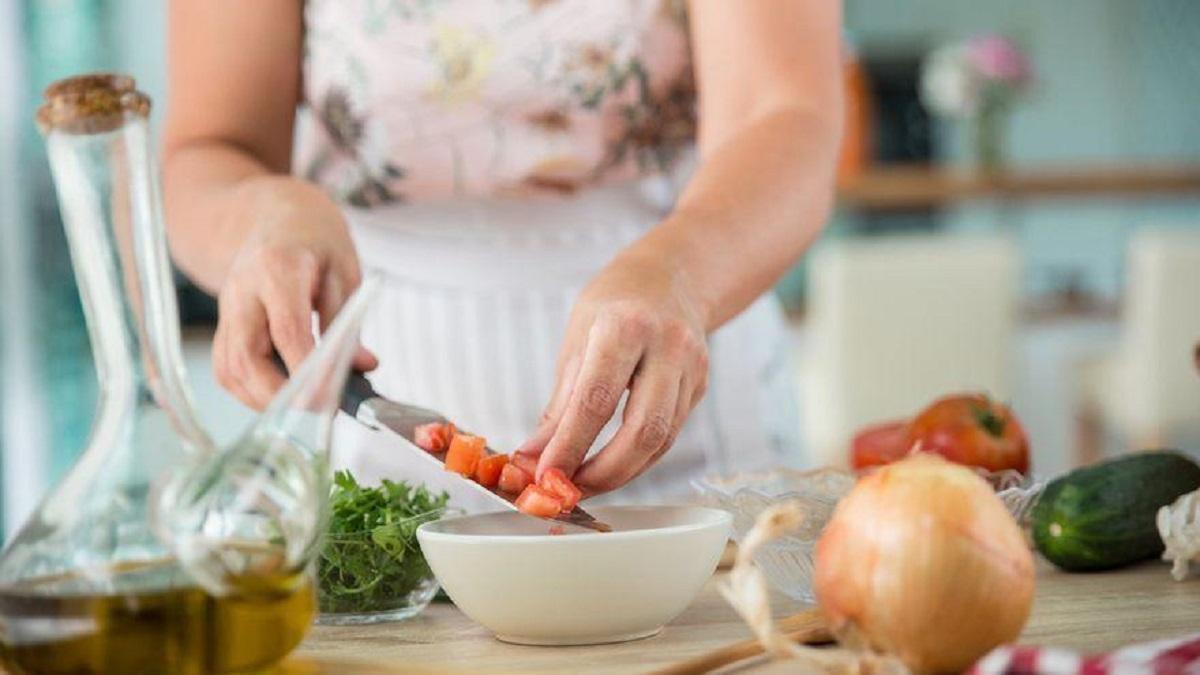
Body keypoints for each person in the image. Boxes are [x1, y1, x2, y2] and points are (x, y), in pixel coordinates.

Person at [163, 0, 843, 502]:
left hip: (696, 441)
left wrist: (681, 275)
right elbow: (208, 151)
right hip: (377, 453)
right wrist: (265, 218)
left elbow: (784, 116)